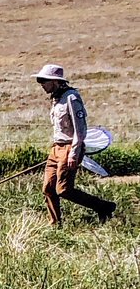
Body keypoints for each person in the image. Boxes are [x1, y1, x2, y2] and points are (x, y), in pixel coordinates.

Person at [34, 63, 116, 226]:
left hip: (69, 148)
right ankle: (55, 223)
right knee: (48, 189)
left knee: (63, 190)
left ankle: (103, 207)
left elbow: (80, 130)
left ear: (55, 81)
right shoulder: (56, 99)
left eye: (43, 80)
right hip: (56, 148)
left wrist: (74, 152)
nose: (41, 84)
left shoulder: (71, 97)